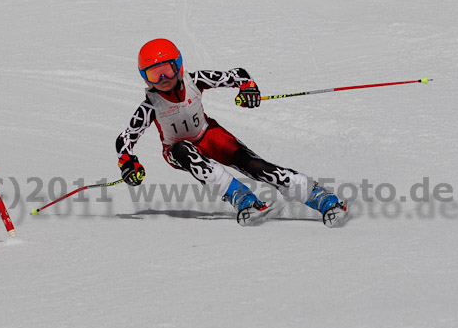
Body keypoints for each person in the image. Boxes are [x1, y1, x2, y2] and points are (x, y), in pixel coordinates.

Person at [116, 38, 347, 227]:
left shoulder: (195, 80)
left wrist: (248, 88)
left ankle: (319, 196)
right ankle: (241, 197)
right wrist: (127, 163)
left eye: (166, 70)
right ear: (144, 77)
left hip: (209, 135)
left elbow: (237, 74)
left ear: (179, 65)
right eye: (154, 75)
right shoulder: (150, 105)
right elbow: (125, 138)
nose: (163, 80)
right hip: (176, 150)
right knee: (182, 149)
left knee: (254, 165)